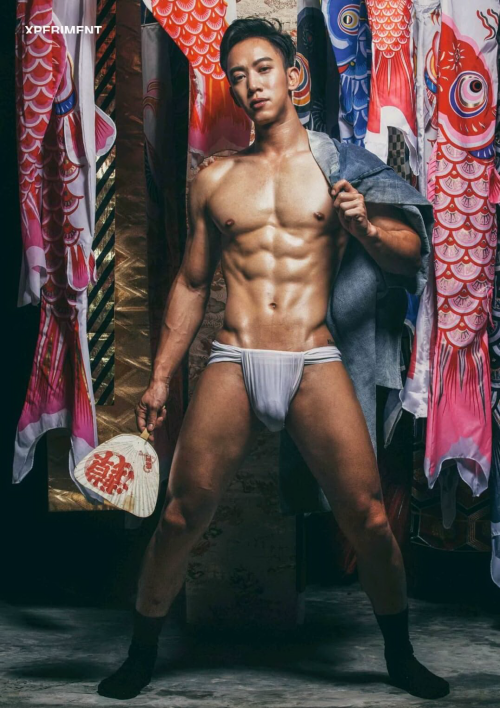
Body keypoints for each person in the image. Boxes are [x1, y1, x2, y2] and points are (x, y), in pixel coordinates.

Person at [98, 17, 450, 701]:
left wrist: (364, 226)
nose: (250, 84)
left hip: (313, 357)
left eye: (262, 68)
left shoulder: (342, 166)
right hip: (234, 356)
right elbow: (192, 283)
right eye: (237, 76)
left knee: (368, 517)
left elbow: (411, 255)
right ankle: (140, 654)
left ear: (294, 74)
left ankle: (400, 656)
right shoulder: (216, 178)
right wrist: (161, 377)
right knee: (181, 514)